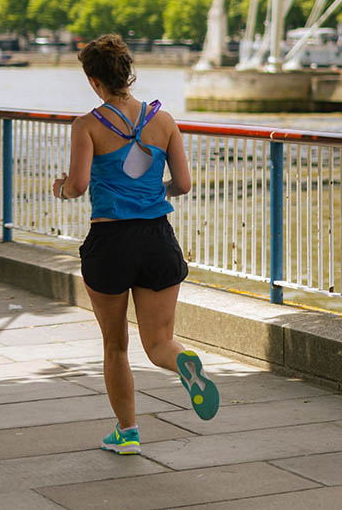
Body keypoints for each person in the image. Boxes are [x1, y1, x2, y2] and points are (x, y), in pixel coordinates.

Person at [52, 34, 219, 455]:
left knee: (115, 345)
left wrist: (61, 189)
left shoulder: (87, 125)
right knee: (159, 342)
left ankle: (127, 434)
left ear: (94, 80)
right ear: (128, 72)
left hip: (110, 242)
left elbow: (79, 184)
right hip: (158, 239)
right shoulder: (163, 122)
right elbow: (183, 184)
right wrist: (152, 190)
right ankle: (182, 361)